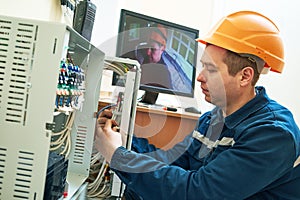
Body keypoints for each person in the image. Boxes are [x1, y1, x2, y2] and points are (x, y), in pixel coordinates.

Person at [94, 10, 300, 199]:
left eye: (210, 69)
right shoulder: (213, 120)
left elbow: (198, 193)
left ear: (245, 76)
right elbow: (173, 162)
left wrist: (117, 155)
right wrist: (125, 139)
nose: (200, 77)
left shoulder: (272, 134)